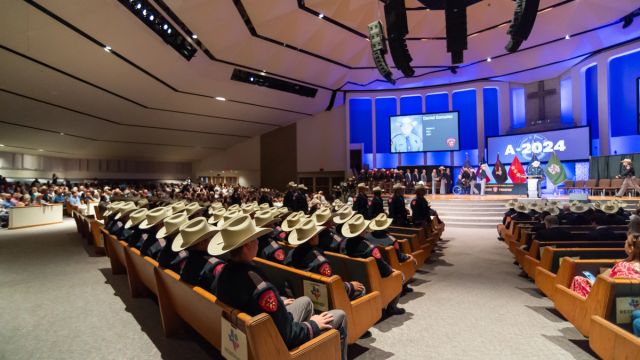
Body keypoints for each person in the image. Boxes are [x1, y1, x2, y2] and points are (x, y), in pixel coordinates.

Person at [210, 215, 348, 359]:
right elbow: (288, 335)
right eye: (255, 238)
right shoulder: (260, 286)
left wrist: (278, 302)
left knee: (305, 301)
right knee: (340, 315)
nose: (258, 241)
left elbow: (248, 302)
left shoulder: (222, 274)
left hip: (252, 334)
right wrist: (313, 324)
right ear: (246, 245)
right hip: (272, 345)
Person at [285, 217, 365, 300]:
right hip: (321, 297)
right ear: (312, 238)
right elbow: (333, 286)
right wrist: (350, 286)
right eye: (316, 234)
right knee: (361, 289)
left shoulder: (291, 254)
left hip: (300, 293)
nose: (318, 236)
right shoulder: (320, 262)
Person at [340, 214, 405, 316]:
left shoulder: (343, 243)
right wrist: (392, 270)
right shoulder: (369, 248)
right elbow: (384, 269)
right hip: (372, 281)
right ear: (362, 230)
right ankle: (392, 307)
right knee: (399, 275)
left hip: (352, 277)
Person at [570, 233, 640, 298]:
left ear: (631, 248)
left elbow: (606, 288)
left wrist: (593, 283)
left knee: (578, 279)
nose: (624, 243)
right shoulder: (624, 265)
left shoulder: (623, 266)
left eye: (626, 242)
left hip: (613, 301)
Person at [366, 214, 417, 294]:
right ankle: (403, 286)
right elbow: (399, 257)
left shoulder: (367, 236)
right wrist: (408, 256)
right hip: (389, 266)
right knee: (411, 259)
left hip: (375, 265)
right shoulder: (391, 240)